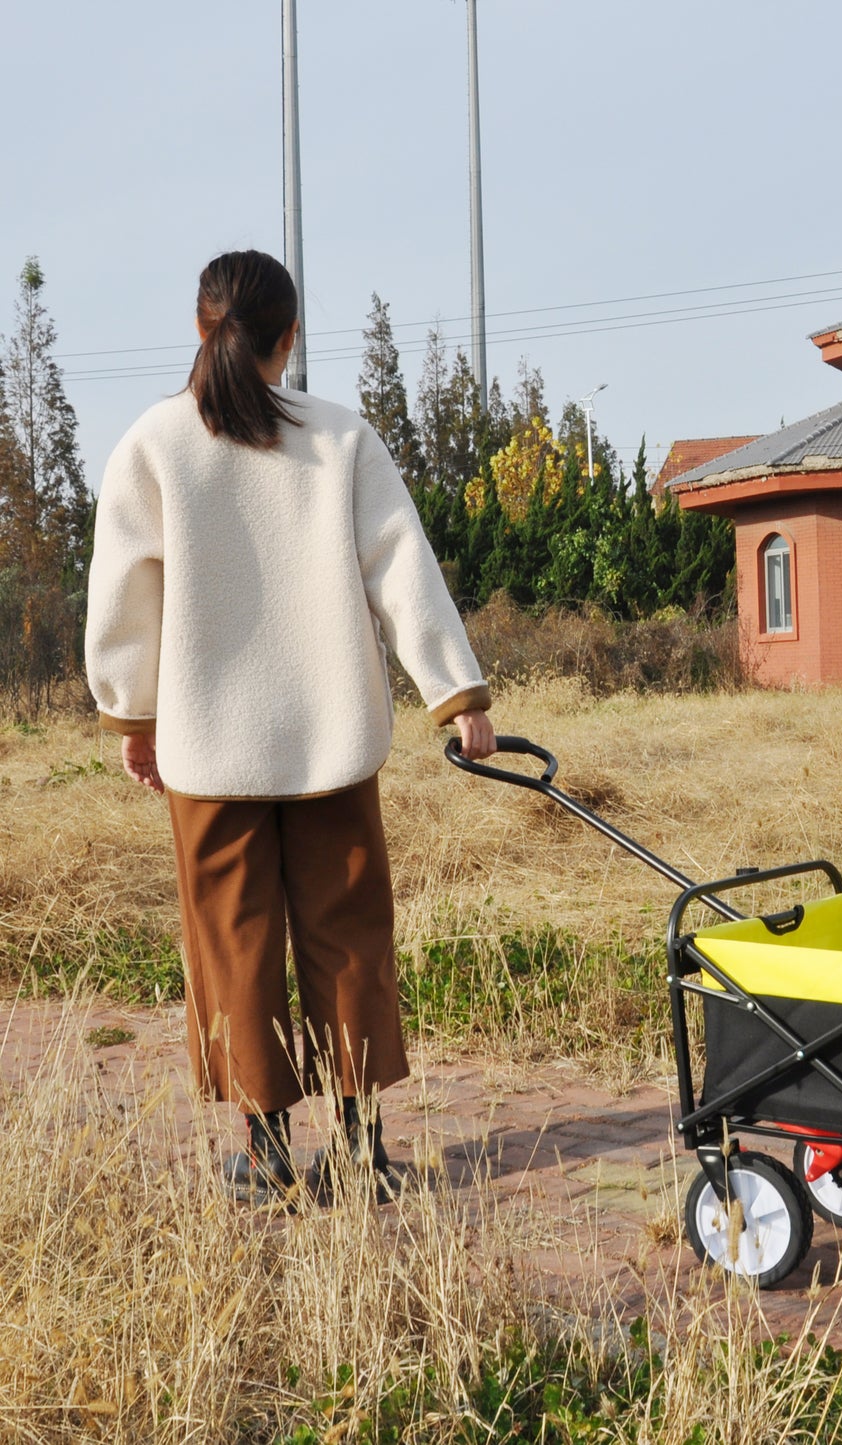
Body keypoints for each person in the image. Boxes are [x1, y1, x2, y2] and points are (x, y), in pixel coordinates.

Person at [85, 249, 496, 1203]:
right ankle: (361, 1149)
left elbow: (122, 594)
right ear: (289, 337)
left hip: (207, 744)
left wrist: (132, 714)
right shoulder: (340, 438)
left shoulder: (153, 442)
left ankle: (267, 1154)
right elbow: (404, 570)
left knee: (234, 940)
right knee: (347, 934)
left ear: (199, 325)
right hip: (332, 736)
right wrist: (457, 694)